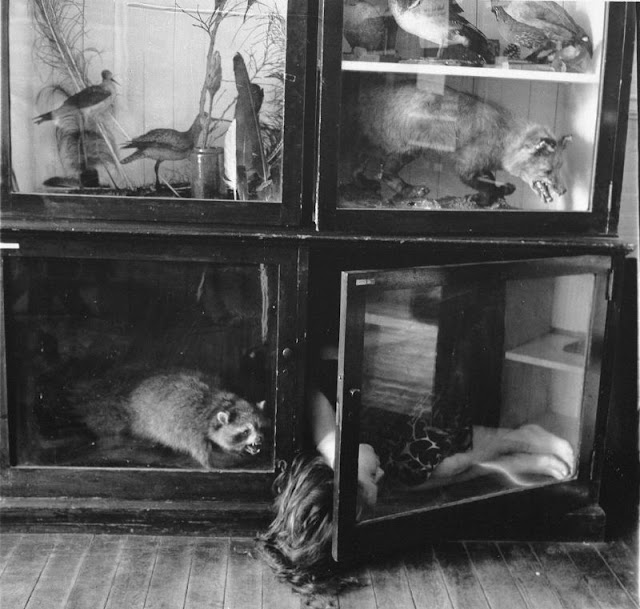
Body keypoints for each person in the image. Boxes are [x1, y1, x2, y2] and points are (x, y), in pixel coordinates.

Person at [257, 344, 575, 598]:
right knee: (438, 469)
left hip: (383, 402)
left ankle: (518, 439)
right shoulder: (348, 474)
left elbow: (309, 388)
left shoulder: (324, 436)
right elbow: (375, 475)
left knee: (443, 459)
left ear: (338, 467)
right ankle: (507, 463)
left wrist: (334, 445)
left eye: (370, 478)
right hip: (376, 440)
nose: (379, 476)